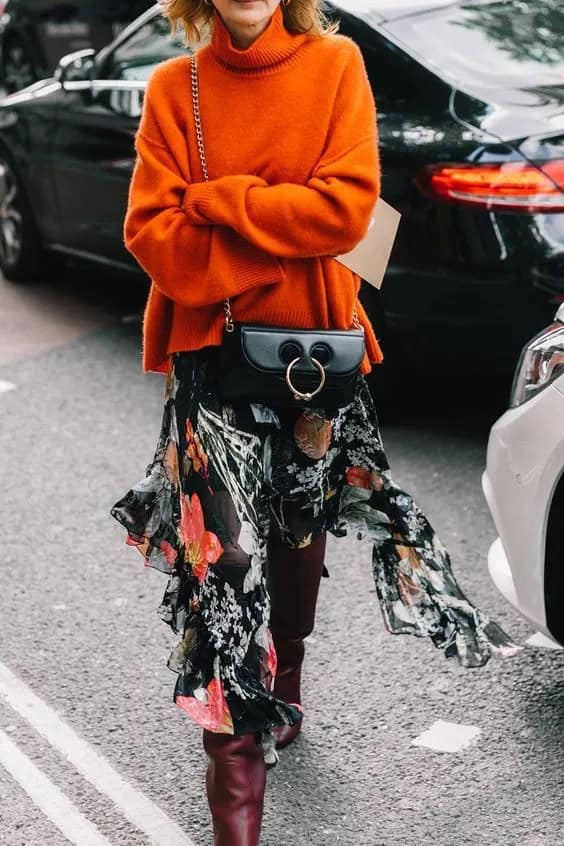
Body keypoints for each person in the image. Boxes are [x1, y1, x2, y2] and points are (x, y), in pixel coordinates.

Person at [110, 0, 519, 843]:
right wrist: (282, 229)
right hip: (210, 361)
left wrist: (220, 200)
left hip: (312, 364)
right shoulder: (170, 87)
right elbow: (154, 236)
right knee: (221, 568)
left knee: (297, 540)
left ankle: (285, 667)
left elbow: (346, 214)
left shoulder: (336, 69)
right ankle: (236, 792)